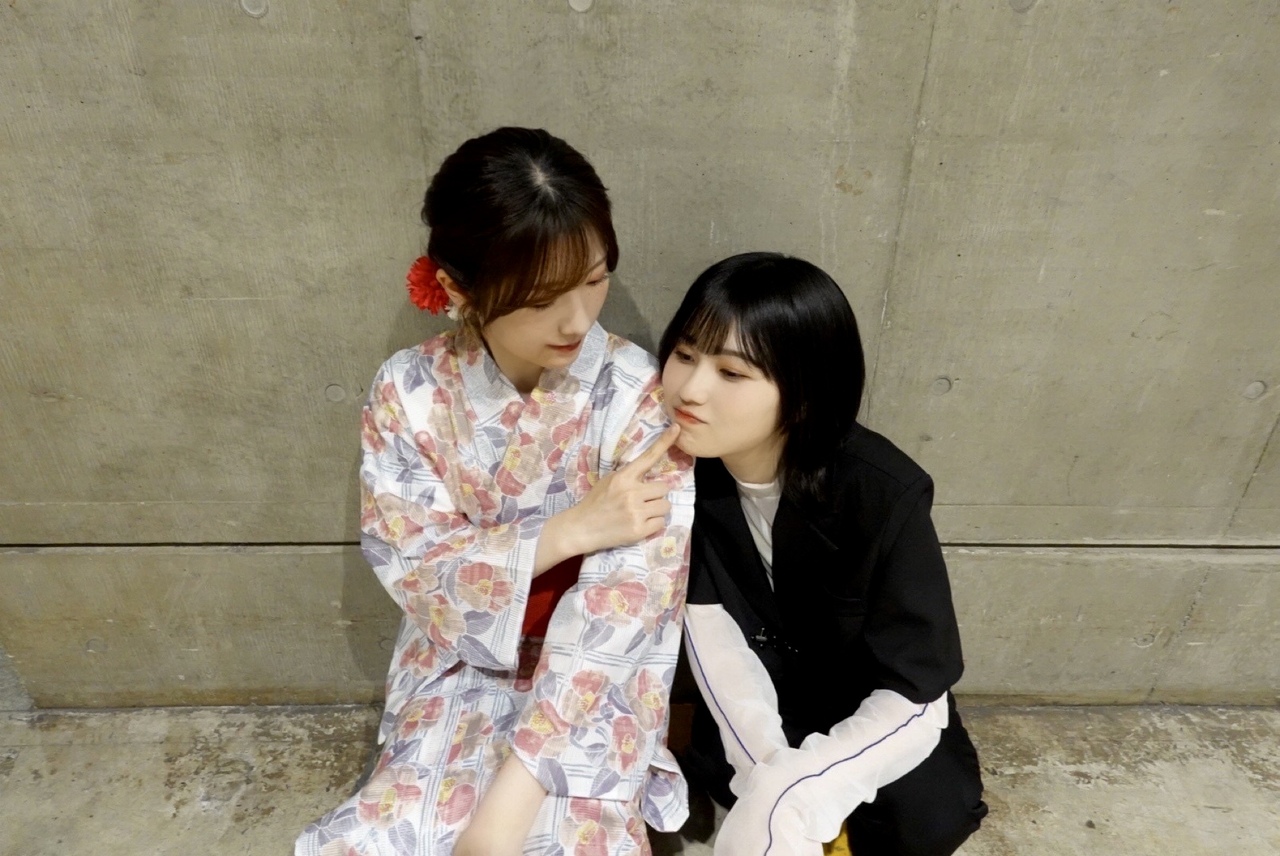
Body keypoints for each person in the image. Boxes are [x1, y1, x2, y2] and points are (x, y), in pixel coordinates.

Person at [296, 127, 695, 856]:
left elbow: (635, 597)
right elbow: (417, 563)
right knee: (381, 837)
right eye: (542, 297)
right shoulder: (408, 391)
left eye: (595, 279)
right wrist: (566, 532)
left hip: (596, 681)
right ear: (458, 289)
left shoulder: (637, 391)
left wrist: (512, 800)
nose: (578, 319)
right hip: (457, 664)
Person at [659, 253, 987, 856]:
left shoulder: (881, 491)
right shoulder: (681, 474)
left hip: (873, 702)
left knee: (926, 821)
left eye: (731, 372)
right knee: (747, 793)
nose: (690, 390)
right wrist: (770, 778)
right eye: (684, 355)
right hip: (760, 700)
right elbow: (713, 641)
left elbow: (916, 683)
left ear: (804, 395)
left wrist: (799, 790)